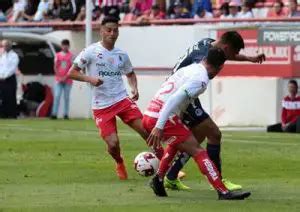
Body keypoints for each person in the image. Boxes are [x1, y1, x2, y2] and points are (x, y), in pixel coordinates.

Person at [164, 31, 266, 191]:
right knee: (214, 133)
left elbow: (226, 55)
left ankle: (170, 176)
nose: (235, 56)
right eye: (235, 52)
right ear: (225, 47)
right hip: (179, 95)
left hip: (181, 92)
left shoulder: (209, 42)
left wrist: (249, 58)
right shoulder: (202, 59)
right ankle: (218, 181)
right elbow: (194, 77)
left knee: (196, 136)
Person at [143, 47, 251, 200]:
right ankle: (223, 191)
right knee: (198, 151)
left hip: (150, 112)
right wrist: (159, 125)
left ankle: (159, 179)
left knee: (177, 143)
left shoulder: (191, 68)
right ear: (219, 67)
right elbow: (174, 99)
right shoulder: (201, 79)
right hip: (162, 117)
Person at [68, 16, 151, 180]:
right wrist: (90, 79)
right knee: (113, 144)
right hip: (101, 106)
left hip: (122, 100)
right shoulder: (91, 51)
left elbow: (130, 74)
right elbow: (72, 72)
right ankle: (119, 161)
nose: (112, 33)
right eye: (109, 30)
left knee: (146, 131)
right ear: (101, 31)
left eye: (115, 30)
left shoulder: (121, 54)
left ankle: (167, 167)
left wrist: (134, 88)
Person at [51, 39, 73, 120]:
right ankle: (54, 113)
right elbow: (55, 67)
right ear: (61, 46)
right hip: (58, 79)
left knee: (66, 97)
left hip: (68, 80)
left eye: (66, 45)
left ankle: (66, 114)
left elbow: (72, 68)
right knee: (57, 96)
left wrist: (65, 77)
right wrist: (59, 77)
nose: (65, 46)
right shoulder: (57, 55)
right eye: (64, 45)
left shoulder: (71, 56)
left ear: (68, 46)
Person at [0, 39, 19, 119]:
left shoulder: (14, 56)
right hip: (2, 79)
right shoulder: (3, 56)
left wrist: (5, 76)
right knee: (3, 97)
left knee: (11, 96)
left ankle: (12, 114)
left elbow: (12, 68)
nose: (4, 47)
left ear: (9, 46)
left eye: (5, 46)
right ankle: (4, 114)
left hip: (10, 78)